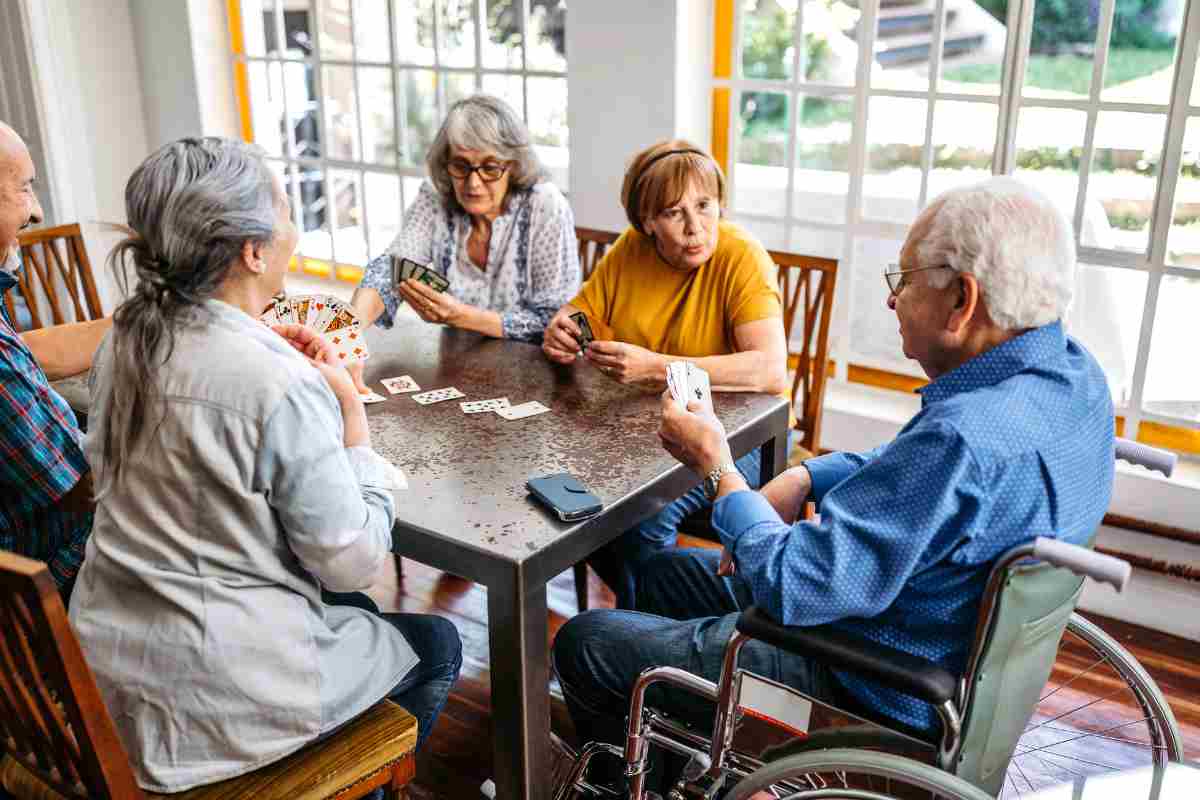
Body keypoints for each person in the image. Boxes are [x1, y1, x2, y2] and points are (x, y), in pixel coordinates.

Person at [553, 176, 1115, 793]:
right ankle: (672, 734)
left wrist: (720, 471)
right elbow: (916, 467)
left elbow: (793, 586)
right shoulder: (1069, 375)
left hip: (855, 681)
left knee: (587, 642)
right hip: (932, 643)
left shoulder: (964, 438)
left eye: (903, 282)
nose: (891, 301)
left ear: (962, 299)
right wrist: (805, 473)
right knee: (657, 577)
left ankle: (652, 766)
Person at [68, 137, 461, 793]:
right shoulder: (277, 382)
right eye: (286, 214)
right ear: (253, 251)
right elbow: (355, 565)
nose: (294, 229)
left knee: (328, 603)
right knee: (437, 645)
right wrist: (352, 425)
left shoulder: (124, 338)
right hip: (218, 708)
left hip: (112, 682)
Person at [542, 139, 789, 609]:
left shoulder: (742, 255)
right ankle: (644, 618)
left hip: (743, 434)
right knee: (576, 500)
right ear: (648, 222)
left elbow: (770, 370)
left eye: (704, 206)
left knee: (638, 516)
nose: (696, 228)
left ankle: (638, 632)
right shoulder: (630, 250)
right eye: (675, 213)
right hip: (643, 429)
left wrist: (657, 368)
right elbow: (582, 313)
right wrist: (563, 329)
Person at [350, 94, 579, 375]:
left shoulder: (546, 205)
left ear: (514, 166)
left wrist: (461, 316)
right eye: (460, 165)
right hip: (458, 366)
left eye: (490, 168)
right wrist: (346, 335)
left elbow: (554, 321)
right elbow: (391, 269)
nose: (473, 183)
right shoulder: (435, 196)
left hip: (536, 373)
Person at [0, 120, 110, 599]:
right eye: (24, 188)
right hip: (48, 590)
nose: (37, 210)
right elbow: (84, 492)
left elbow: (31, 353)